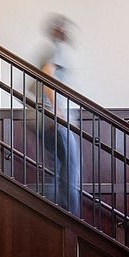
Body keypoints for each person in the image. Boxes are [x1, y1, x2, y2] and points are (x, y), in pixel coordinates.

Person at [35, 14, 82, 216]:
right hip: (55, 120)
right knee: (71, 169)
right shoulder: (56, 50)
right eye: (65, 28)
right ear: (60, 31)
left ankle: (54, 216)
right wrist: (58, 111)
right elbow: (47, 75)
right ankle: (69, 219)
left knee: (59, 170)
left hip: (48, 120)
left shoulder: (51, 50)